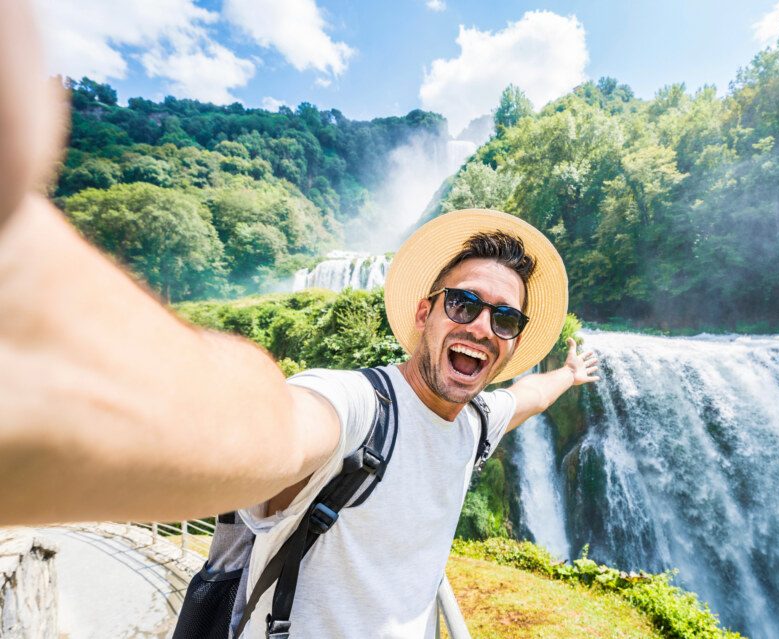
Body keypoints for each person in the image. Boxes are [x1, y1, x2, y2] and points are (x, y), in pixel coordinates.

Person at [0, 1, 599, 636]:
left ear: (511, 342)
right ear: (424, 313)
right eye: (464, 303)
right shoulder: (356, 409)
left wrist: (566, 375)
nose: (482, 325)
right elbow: (273, 425)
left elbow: (525, 397)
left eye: (504, 319)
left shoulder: (477, 421)